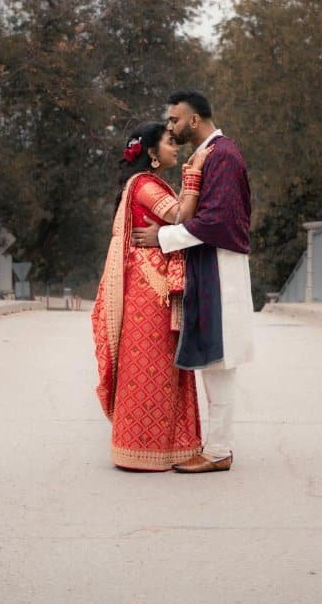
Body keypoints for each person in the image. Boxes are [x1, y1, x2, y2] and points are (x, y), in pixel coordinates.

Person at [132, 90, 253, 474]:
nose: (171, 126)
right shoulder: (210, 154)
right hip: (207, 263)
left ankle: (219, 450)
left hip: (219, 264)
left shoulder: (224, 156)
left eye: (175, 120)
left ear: (195, 120)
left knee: (220, 360)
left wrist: (162, 239)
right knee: (213, 358)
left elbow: (216, 220)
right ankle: (216, 447)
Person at [90, 121, 214, 471]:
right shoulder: (144, 185)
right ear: (151, 154)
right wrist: (194, 174)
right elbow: (182, 217)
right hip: (151, 288)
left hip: (150, 285)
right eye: (169, 142)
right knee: (153, 365)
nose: (176, 148)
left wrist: (163, 235)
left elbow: (173, 226)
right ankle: (145, 449)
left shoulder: (148, 183)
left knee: (159, 365)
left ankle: (157, 447)